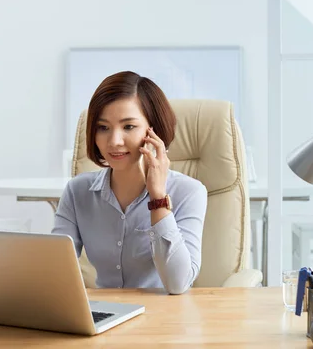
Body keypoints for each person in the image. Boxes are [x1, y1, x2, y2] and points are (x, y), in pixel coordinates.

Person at [52, 71, 207, 295]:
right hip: (103, 317)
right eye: (103, 127)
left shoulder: (189, 192)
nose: (114, 141)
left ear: (153, 131)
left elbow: (178, 283)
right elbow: (56, 270)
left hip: (166, 321)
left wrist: (158, 199)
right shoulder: (78, 191)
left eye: (128, 127)